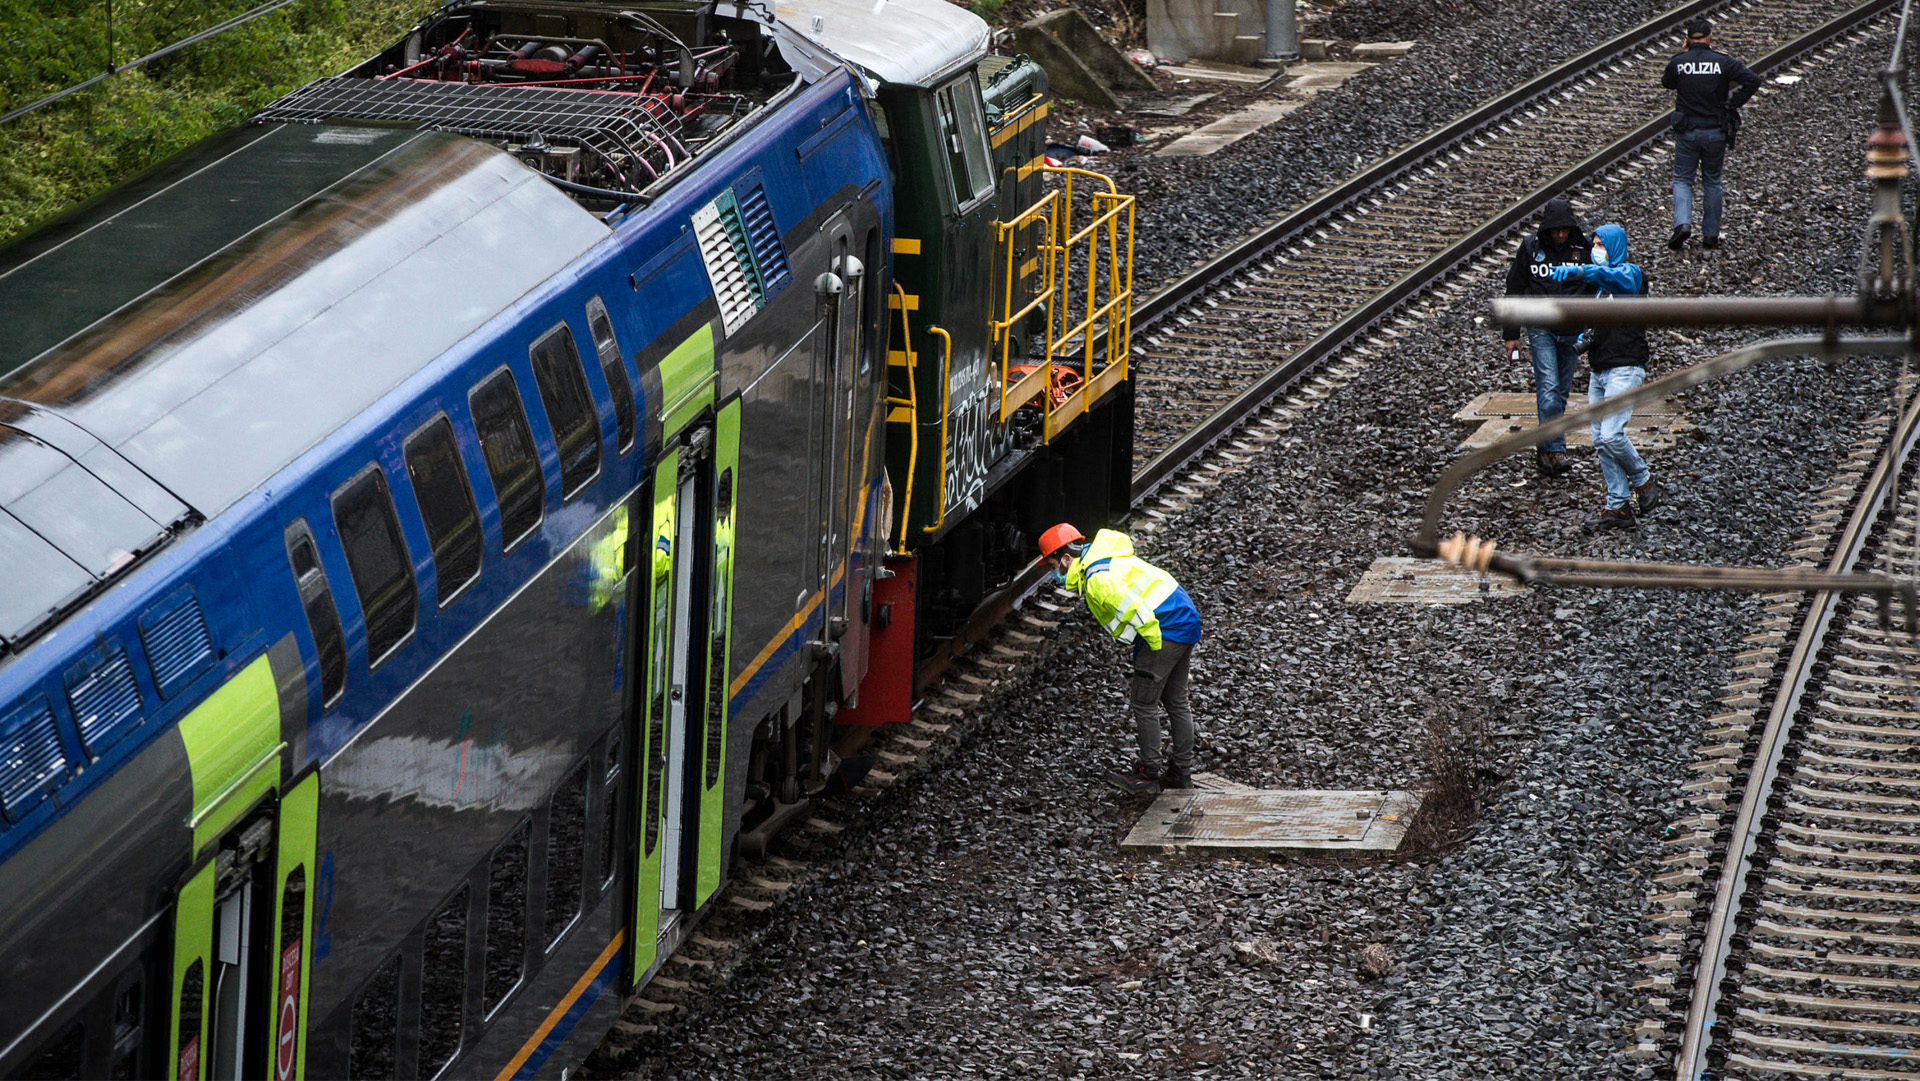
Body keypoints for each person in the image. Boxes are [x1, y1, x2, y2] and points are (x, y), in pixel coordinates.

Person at [1037, 523, 1203, 793]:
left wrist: (1151, 651)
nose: (1053, 572)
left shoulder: (1097, 580)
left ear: (1067, 559)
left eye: (1053, 565)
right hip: (1184, 619)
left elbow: (1138, 612)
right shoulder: (1106, 557)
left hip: (1165, 629)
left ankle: (1148, 775)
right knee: (1176, 701)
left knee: (1143, 702)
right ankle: (1180, 772)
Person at [1549, 223, 1664, 530]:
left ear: (1615, 246)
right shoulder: (1599, 292)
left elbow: (1616, 278)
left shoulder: (1631, 275)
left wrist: (1582, 272)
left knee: (1613, 433)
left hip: (1625, 366)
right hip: (1600, 369)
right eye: (1594, 244)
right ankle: (1618, 507)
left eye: (1601, 245)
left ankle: (1643, 480)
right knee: (1601, 440)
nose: (1596, 250)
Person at [1501, 196, 1593, 477]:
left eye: (1565, 229)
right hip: (1540, 327)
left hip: (1572, 330)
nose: (1561, 235)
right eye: (1556, 230)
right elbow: (1514, 286)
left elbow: (1595, 286)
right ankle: (1556, 449)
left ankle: (1544, 448)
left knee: (1560, 393)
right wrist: (1511, 334)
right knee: (1549, 387)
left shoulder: (1584, 248)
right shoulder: (1531, 248)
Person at [1662, 18, 1761, 251]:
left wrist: (1683, 54)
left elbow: (1667, 83)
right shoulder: (1723, 61)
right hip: (1715, 131)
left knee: (1682, 179)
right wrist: (1734, 103)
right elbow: (1753, 80)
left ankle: (1683, 224)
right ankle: (1711, 235)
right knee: (1712, 182)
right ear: (1709, 37)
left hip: (1687, 132)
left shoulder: (1679, 62)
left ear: (1687, 38)